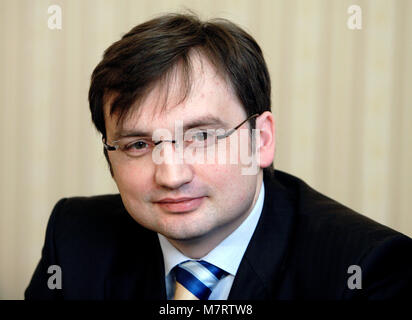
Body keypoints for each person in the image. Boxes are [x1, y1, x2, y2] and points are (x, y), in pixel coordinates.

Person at [25, 13, 412, 300]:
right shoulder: (74, 238)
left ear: (261, 139)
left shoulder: (366, 266)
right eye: (138, 145)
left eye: (202, 136)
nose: (171, 176)